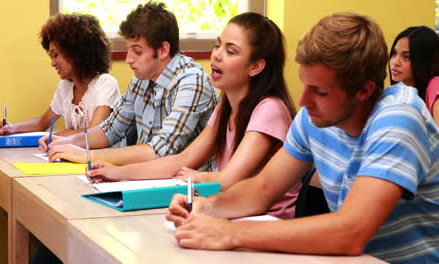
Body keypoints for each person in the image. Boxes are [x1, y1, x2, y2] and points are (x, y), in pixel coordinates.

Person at [166, 12, 439, 264]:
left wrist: (231, 233)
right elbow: (262, 188)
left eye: (319, 91)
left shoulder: (399, 119)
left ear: (364, 91)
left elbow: (351, 232)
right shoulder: (314, 116)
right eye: (303, 82)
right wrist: (208, 206)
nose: (302, 100)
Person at [86, 12, 301, 219]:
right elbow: (181, 160)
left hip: (264, 224)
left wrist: (198, 177)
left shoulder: (269, 109)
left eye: (231, 51)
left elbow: (229, 180)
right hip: (229, 212)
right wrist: (118, 173)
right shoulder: (226, 106)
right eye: (218, 45)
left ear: (255, 67)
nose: (216, 54)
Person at [38, 2, 218, 170]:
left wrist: (87, 155)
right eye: (129, 49)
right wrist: (67, 141)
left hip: (188, 187)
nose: (128, 59)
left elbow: (161, 149)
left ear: (163, 50)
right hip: (150, 177)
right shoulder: (141, 79)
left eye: (137, 51)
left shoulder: (192, 81)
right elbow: (109, 130)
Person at [0, 13, 120, 136]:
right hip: (76, 155)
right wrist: (12, 128)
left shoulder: (105, 84)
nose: (52, 63)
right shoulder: (65, 87)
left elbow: (95, 132)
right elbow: (42, 123)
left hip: (103, 156)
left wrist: (65, 134)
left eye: (56, 55)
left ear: (76, 52)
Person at [389, 25, 439, 125]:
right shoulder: (398, 92)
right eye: (394, 53)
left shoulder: (435, 84)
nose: (395, 62)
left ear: (425, 61)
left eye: (406, 57)